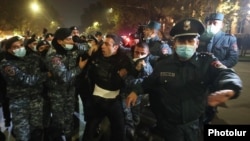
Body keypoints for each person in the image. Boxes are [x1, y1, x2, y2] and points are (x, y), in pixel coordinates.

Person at [126, 18, 242, 141]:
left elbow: (226, 73)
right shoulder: (164, 64)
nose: (186, 45)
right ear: (174, 43)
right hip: (170, 126)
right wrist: (136, 90)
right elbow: (150, 81)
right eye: (182, 40)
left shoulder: (206, 62)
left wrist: (230, 87)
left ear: (197, 44)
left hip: (193, 125)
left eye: (190, 41)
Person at [82, 33, 135, 141]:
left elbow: (134, 73)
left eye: (107, 44)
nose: (102, 46)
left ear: (115, 47)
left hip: (114, 101)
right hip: (96, 100)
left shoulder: (124, 59)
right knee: (90, 130)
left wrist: (124, 76)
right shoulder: (96, 55)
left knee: (119, 131)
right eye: (102, 43)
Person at [0, 36, 51, 141]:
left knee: (37, 131)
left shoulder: (32, 57)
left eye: (21, 45)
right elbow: (27, 80)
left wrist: (44, 51)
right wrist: (46, 75)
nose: (19, 48)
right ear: (9, 49)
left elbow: (46, 63)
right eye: (15, 47)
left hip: (36, 100)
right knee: (22, 135)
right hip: (19, 102)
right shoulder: (6, 64)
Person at [44, 28, 88, 141]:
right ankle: (57, 137)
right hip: (57, 92)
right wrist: (80, 68)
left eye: (72, 38)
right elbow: (64, 77)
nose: (72, 42)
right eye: (68, 39)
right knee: (59, 120)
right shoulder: (53, 56)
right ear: (59, 41)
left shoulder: (71, 48)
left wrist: (80, 42)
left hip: (70, 90)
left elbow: (87, 48)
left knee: (69, 116)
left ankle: (69, 137)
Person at [198, 13, 239, 124]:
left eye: (215, 23)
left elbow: (233, 59)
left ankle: (208, 120)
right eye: (209, 23)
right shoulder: (201, 37)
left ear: (221, 25)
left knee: (211, 102)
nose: (211, 25)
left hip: (216, 76)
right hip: (200, 75)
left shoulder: (229, 39)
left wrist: (216, 66)